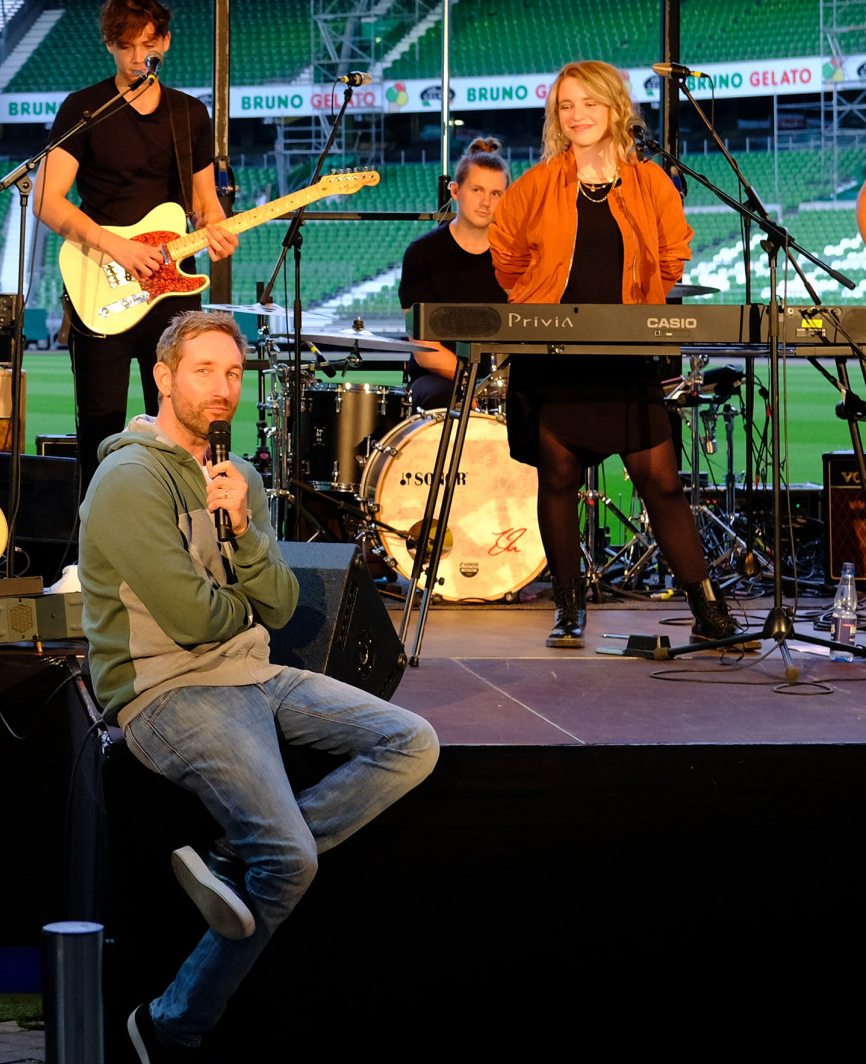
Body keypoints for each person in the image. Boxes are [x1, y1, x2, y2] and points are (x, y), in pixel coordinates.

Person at [78, 309, 439, 1059]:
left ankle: (231, 865)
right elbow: (189, 617)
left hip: (252, 671)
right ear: (164, 376)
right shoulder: (125, 479)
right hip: (166, 689)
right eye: (203, 370)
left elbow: (280, 604)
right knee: (293, 860)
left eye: (233, 373)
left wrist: (241, 528)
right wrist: (242, 597)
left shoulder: (235, 475)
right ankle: (169, 1022)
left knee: (411, 740)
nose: (220, 388)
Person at [489, 60, 752, 650]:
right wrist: (536, 299)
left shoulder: (649, 181)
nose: (577, 115)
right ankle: (568, 605)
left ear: (615, 108)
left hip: (625, 351)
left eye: (589, 103)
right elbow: (505, 252)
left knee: (660, 481)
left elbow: (672, 250)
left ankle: (705, 605)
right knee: (558, 477)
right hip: (554, 353)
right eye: (565, 105)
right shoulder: (538, 183)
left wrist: (643, 304)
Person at [34, 0, 238, 476]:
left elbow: (205, 204)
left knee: (184, 425)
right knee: (100, 426)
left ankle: (185, 538)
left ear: (164, 42)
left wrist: (217, 230)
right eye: (123, 45)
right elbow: (45, 198)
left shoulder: (188, 113)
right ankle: (99, 540)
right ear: (109, 46)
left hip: (172, 289)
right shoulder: (84, 109)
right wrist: (118, 247)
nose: (135, 57)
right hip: (100, 278)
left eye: (145, 44)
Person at [399, 136, 511, 411]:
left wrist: (496, 384)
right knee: (442, 399)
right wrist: (471, 384)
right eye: (477, 190)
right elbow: (424, 348)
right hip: (439, 377)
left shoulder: (515, 253)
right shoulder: (422, 254)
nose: (486, 202)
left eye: (496, 194)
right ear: (455, 191)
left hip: (503, 378)